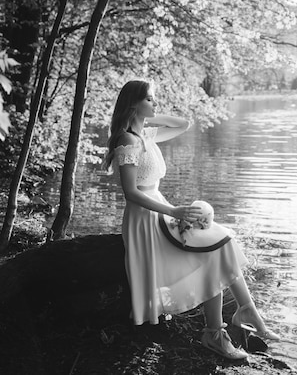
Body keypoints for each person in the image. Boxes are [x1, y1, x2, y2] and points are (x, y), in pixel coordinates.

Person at [103, 80, 280, 360]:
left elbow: (183, 124)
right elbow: (130, 192)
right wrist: (173, 212)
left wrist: (144, 114)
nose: (155, 103)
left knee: (221, 241)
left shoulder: (146, 135)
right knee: (212, 250)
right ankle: (216, 333)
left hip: (161, 208)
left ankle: (245, 310)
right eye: (150, 99)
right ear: (134, 104)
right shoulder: (128, 140)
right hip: (146, 219)